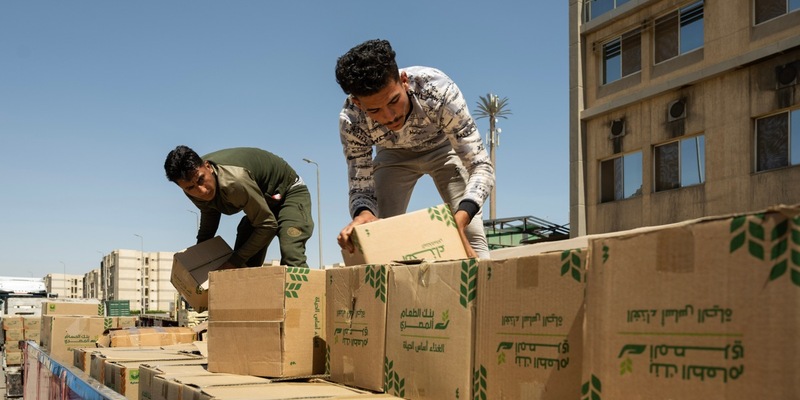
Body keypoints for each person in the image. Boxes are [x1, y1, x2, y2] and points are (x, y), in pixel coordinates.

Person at [334, 39, 495, 259]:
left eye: (393, 101)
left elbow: (481, 166)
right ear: (358, 104)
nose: (389, 117)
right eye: (375, 110)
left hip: (443, 148)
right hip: (392, 157)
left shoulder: (437, 90)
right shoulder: (352, 120)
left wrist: (460, 219)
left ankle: (484, 291)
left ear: (404, 81)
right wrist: (363, 214)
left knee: (470, 233)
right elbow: (361, 186)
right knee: (376, 235)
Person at [164, 145, 313, 268]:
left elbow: (267, 226)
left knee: (291, 254)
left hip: (288, 192)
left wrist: (234, 261)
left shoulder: (234, 181)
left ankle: (305, 303)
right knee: (244, 266)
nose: (201, 190)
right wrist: (197, 262)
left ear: (208, 166)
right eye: (190, 187)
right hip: (261, 202)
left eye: (201, 180)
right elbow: (209, 220)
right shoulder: (192, 191)